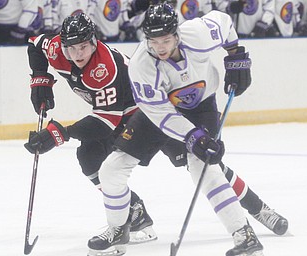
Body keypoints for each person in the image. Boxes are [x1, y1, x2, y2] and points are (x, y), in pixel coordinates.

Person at [86, 3, 289, 256]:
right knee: (111, 169)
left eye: (166, 40)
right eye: (153, 40)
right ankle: (118, 229)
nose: (159, 47)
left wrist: (235, 54)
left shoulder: (198, 33)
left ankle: (243, 235)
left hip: (201, 106)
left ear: (177, 34)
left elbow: (224, 22)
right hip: (159, 114)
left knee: (202, 165)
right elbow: (160, 113)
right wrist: (193, 136)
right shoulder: (141, 66)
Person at [24, 12, 157, 244]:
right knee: (89, 157)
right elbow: (35, 45)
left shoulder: (105, 67)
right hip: (115, 111)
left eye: (84, 47)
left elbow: (106, 123)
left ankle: (236, 201)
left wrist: (60, 133)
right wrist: (40, 79)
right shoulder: (56, 49)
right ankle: (134, 211)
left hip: (143, 111)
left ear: (94, 42)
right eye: (71, 48)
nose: (78, 55)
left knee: (192, 160)